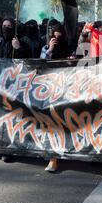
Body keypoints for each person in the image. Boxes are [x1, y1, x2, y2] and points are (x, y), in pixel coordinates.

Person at [40, 23, 73, 173]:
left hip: (66, 90)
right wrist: (50, 50)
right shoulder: (45, 48)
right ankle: (53, 159)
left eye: (60, 34)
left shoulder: (68, 47)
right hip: (49, 90)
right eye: (55, 35)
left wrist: (71, 60)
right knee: (51, 124)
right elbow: (40, 63)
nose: (57, 38)